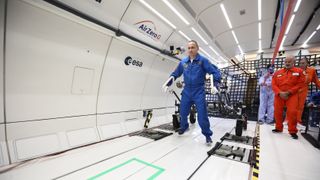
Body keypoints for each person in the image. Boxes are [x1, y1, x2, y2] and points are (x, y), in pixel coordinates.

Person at [162, 40, 221, 144]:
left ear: (197, 49)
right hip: (187, 91)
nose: (190, 50)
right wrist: (167, 84)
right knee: (183, 112)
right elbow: (175, 74)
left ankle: (207, 134)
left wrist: (215, 84)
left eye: (193, 47)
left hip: (199, 91)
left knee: (202, 116)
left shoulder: (203, 61)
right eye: (189, 48)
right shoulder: (183, 62)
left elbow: (214, 72)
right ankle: (184, 127)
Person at [271, 56, 305, 139]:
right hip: (279, 95)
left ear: (294, 62)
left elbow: (301, 83)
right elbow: (273, 84)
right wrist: (279, 93)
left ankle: (292, 131)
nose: (287, 63)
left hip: (292, 95)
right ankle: (278, 128)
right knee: (277, 112)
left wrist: (289, 92)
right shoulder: (277, 72)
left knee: (292, 112)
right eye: (286, 61)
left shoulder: (299, 71)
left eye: (289, 61)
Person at [297, 58, 320, 124]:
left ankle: (298, 122)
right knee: (292, 107)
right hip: (294, 91)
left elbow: (316, 81)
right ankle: (288, 121)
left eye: (303, 63)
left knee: (300, 107)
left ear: (307, 63)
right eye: (300, 63)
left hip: (303, 91)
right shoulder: (296, 70)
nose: (301, 64)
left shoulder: (311, 70)